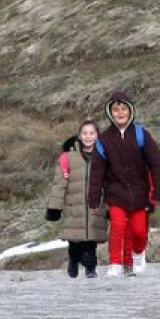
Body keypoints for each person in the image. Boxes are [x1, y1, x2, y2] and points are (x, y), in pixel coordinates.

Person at [88, 90, 160, 278]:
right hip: (116, 193)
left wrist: (159, 191)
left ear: (130, 111)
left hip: (140, 195)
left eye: (123, 109)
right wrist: (94, 197)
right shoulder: (104, 140)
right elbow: (97, 171)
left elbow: (156, 164)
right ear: (110, 113)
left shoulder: (142, 135)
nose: (120, 113)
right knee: (117, 226)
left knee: (138, 231)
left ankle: (138, 254)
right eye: (116, 110)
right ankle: (116, 263)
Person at [45, 119, 108, 278]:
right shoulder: (68, 157)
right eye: (85, 133)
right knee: (75, 240)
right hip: (74, 206)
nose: (88, 136)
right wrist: (54, 207)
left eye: (92, 133)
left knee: (90, 241)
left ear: (97, 135)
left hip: (96, 205)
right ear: (79, 136)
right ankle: (73, 259)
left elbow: (110, 183)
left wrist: (111, 206)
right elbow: (59, 184)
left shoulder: (104, 156)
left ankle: (90, 268)